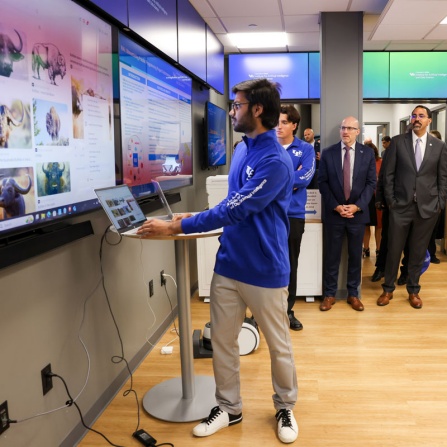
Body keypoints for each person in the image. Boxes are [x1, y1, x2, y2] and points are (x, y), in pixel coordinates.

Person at [138, 79, 299, 444]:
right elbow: (229, 202)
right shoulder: (242, 149)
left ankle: (285, 405)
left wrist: (177, 225)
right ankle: (229, 407)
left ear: (257, 110)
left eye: (236, 105)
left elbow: (236, 208)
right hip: (229, 265)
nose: (230, 111)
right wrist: (189, 218)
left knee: (279, 345)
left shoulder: (276, 160)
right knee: (223, 343)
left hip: (265, 270)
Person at [377, 105, 447, 309]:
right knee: (393, 250)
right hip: (400, 206)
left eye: (421, 116)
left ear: (429, 120)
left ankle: (414, 290)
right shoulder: (398, 142)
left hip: (427, 209)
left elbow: (443, 177)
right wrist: (390, 201)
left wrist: (439, 203)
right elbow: (387, 175)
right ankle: (388, 289)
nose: (417, 119)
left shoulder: (439, 146)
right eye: (414, 115)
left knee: (417, 252)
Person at [318, 116, 376, 311]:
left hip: (357, 215)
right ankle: (329, 294)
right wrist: (335, 206)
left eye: (351, 128)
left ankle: (353, 294)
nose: (346, 131)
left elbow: (371, 184)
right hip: (334, 213)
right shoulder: (328, 153)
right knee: (332, 256)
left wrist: (357, 206)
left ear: (358, 132)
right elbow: (322, 182)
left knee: (355, 255)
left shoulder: (367, 153)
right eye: (343, 127)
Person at [276, 105, 315, 331]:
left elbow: (306, 177)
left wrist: (277, 182)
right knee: (267, 262)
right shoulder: (267, 147)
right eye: (276, 122)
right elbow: (260, 177)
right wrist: (291, 177)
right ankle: (265, 311)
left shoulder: (305, 149)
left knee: (290, 264)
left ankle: (287, 311)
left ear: (294, 125)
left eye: (283, 122)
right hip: (268, 214)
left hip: (293, 215)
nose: (278, 127)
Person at [362, 142, 382, 258]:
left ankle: (379, 250)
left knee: (379, 226)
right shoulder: (362, 163)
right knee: (366, 225)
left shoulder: (380, 162)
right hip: (366, 196)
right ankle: (366, 248)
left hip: (378, 197)